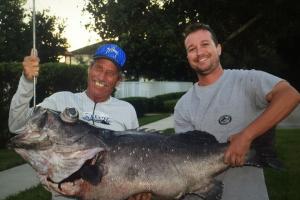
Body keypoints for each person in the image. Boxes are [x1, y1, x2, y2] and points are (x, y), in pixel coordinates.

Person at [9, 43, 151, 200]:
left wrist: (139, 189)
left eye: (110, 73)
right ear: (89, 69)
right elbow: (17, 125)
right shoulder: (60, 100)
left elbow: (137, 159)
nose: (102, 77)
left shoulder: (127, 110)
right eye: (98, 68)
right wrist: (27, 82)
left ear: (118, 80)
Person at [174, 22, 300, 200]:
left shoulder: (247, 80)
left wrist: (246, 136)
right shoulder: (182, 105)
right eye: (192, 48)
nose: (199, 52)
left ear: (218, 48)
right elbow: (185, 158)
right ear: (187, 56)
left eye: (205, 44)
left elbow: (290, 95)